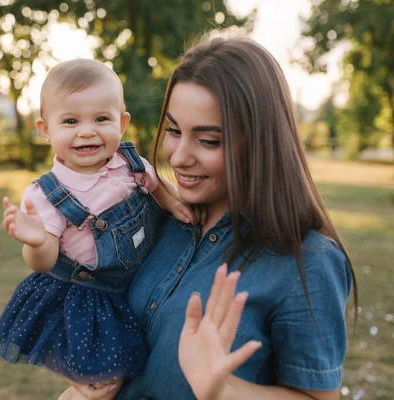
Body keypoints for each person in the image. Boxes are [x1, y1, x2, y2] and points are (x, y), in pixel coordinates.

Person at [62, 35, 357, 400]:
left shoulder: (308, 261)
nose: (179, 156)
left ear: (261, 142)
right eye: (173, 130)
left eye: (208, 141)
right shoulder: (150, 220)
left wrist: (223, 389)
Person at [0, 59, 197, 398]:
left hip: (141, 275)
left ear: (122, 122)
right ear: (45, 129)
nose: (87, 131)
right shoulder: (47, 195)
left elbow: (157, 188)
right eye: (70, 121)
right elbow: (44, 263)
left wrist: (173, 204)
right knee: (105, 383)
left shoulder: (131, 164)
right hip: (92, 294)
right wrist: (36, 241)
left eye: (101, 119)